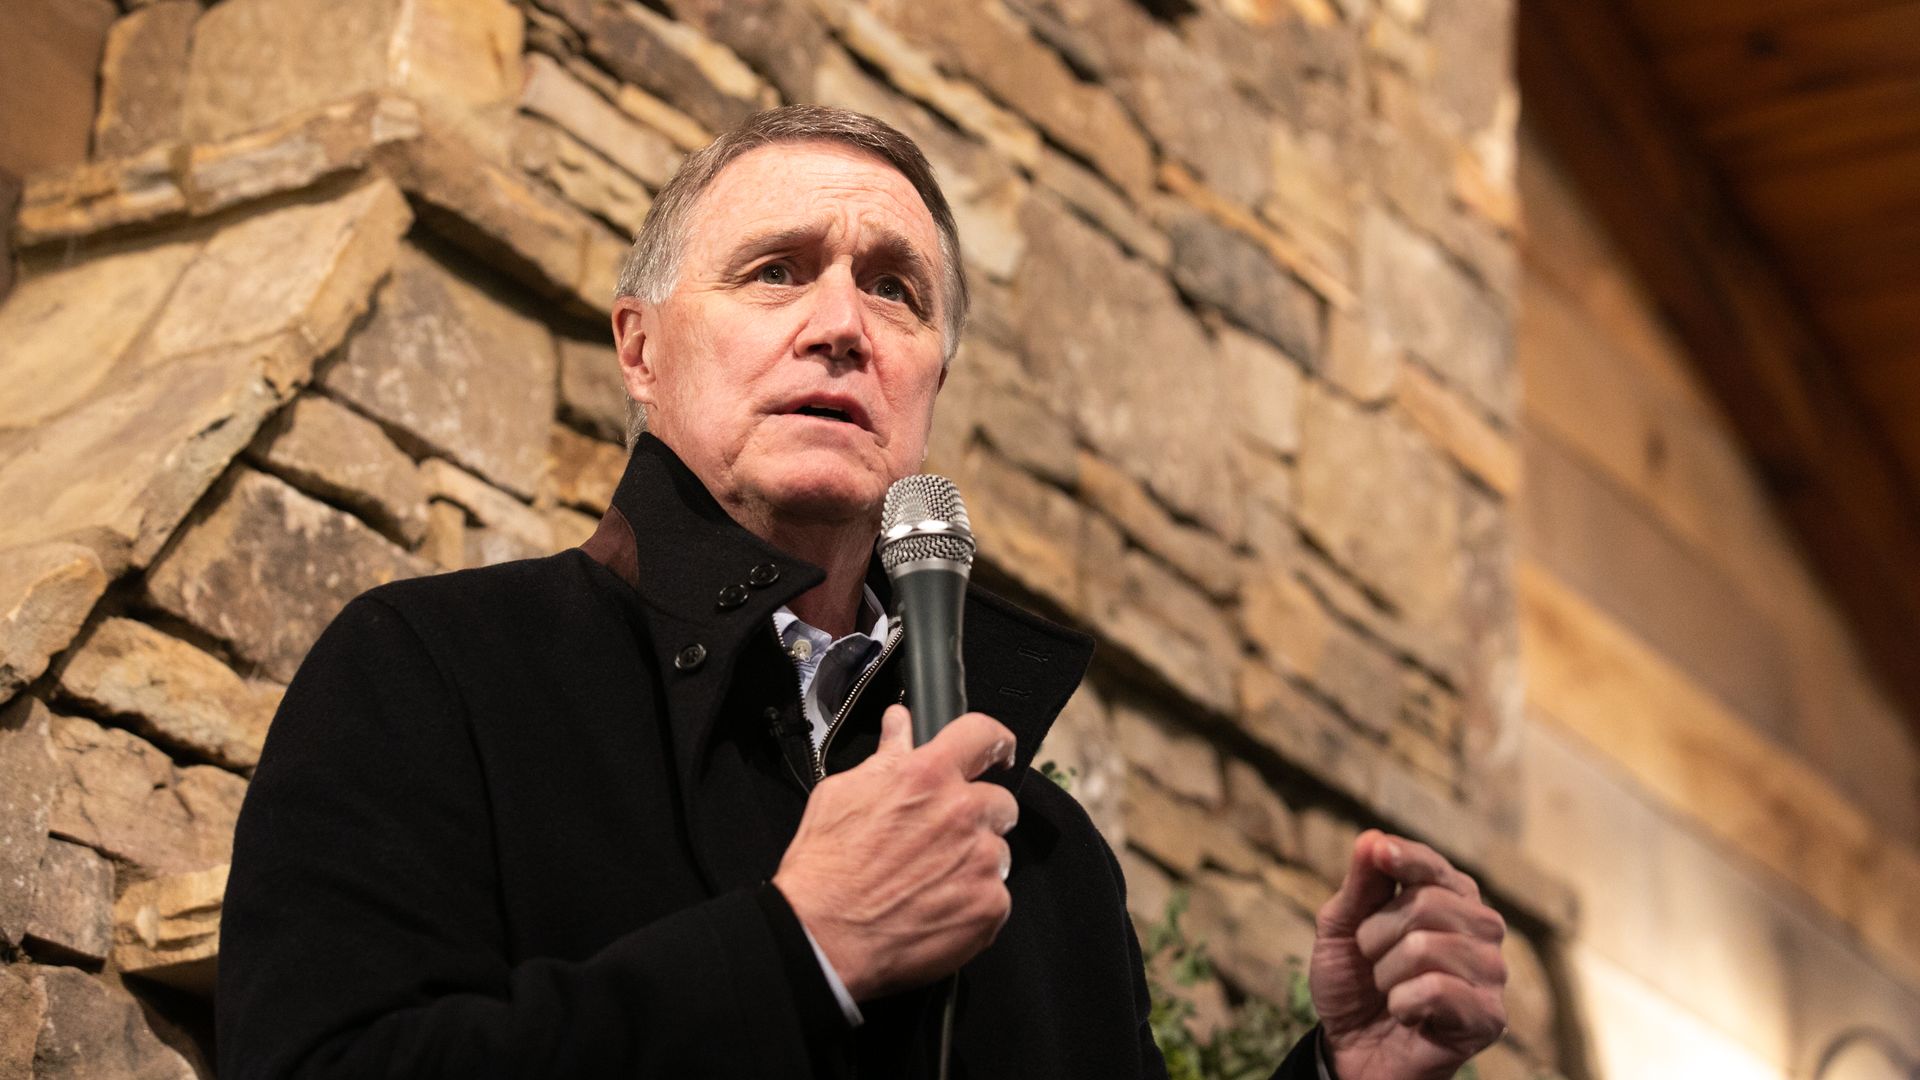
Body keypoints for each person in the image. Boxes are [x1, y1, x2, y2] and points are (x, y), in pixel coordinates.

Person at [217, 105, 1507, 1079]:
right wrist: (797, 950)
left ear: (931, 381)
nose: (843, 323)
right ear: (641, 348)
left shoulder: (1046, 858)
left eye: (895, 289)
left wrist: (1345, 1073)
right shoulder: (437, 673)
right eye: (775, 270)